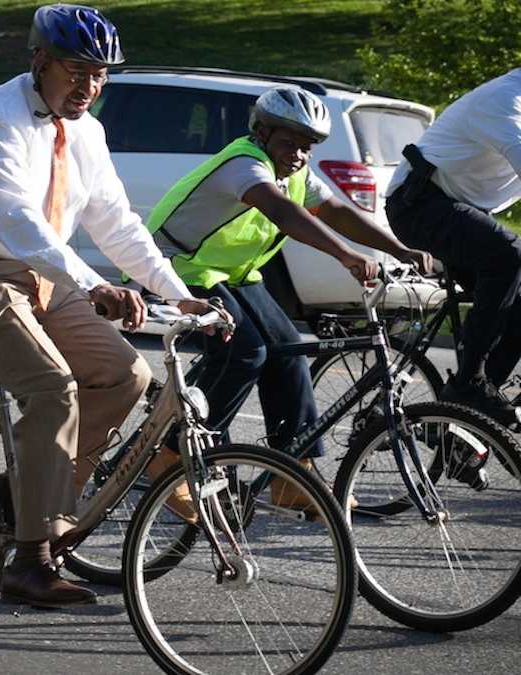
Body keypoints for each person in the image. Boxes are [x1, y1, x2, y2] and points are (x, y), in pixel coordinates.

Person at [0, 4, 224, 609]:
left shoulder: (86, 132)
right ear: (39, 62)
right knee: (53, 387)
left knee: (124, 373)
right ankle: (30, 560)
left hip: (40, 275)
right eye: (76, 71)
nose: (90, 87)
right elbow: (16, 220)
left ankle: (25, 499)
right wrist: (95, 284)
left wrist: (174, 291)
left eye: (101, 74)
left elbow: (117, 222)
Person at [144, 85, 432, 511]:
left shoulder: (293, 170)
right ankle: (171, 463)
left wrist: (396, 249)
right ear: (260, 132)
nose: (298, 154)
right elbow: (282, 212)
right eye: (288, 142)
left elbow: (333, 209)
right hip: (182, 268)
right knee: (245, 353)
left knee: (290, 352)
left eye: (307, 147)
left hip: (234, 273)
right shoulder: (243, 164)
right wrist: (345, 256)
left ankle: (291, 477)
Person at [386, 69, 521, 428]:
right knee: (509, 256)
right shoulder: (506, 102)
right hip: (418, 205)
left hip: (460, 210)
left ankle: (463, 425)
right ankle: (469, 385)